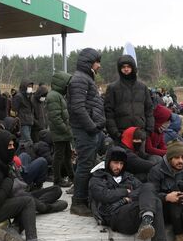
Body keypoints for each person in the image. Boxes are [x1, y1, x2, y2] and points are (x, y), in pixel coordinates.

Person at [89, 147, 177, 241]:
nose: (118, 167)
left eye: (121, 163)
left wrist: (127, 197)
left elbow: (146, 190)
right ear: (108, 162)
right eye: (115, 163)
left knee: (151, 191)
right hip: (114, 216)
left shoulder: (128, 177)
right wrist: (126, 192)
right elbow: (105, 196)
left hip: (131, 213)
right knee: (153, 199)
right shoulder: (98, 178)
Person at [67, 48, 106, 216]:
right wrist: (91, 127)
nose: (99, 65)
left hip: (89, 130)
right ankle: (78, 203)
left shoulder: (85, 78)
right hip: (85, 130)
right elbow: (78, 107)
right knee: (84, 166)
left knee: (87, 164)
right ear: (89, 63)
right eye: (97, 62)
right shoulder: (80, 79)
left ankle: (83, 199)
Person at [104, 55, 154, 142]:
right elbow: (108, 113)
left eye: (128, 66)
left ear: (133, 68)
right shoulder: (112, 88)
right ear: (120, 69)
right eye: (123, 67)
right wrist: (115, 133)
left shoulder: (142, 87)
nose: (126, 69)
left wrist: (148, 131)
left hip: (140, 134)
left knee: (141, 155)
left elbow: (149, 110)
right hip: (121, 135)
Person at [46, 71, 74, 187]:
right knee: (59, 157)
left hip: (63, 132)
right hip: (60, 133)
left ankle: (72, 177)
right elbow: (55, 117)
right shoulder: (53, 96)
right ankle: (57, 180)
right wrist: (66, 129)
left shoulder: (58, 95)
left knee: (67, 156)